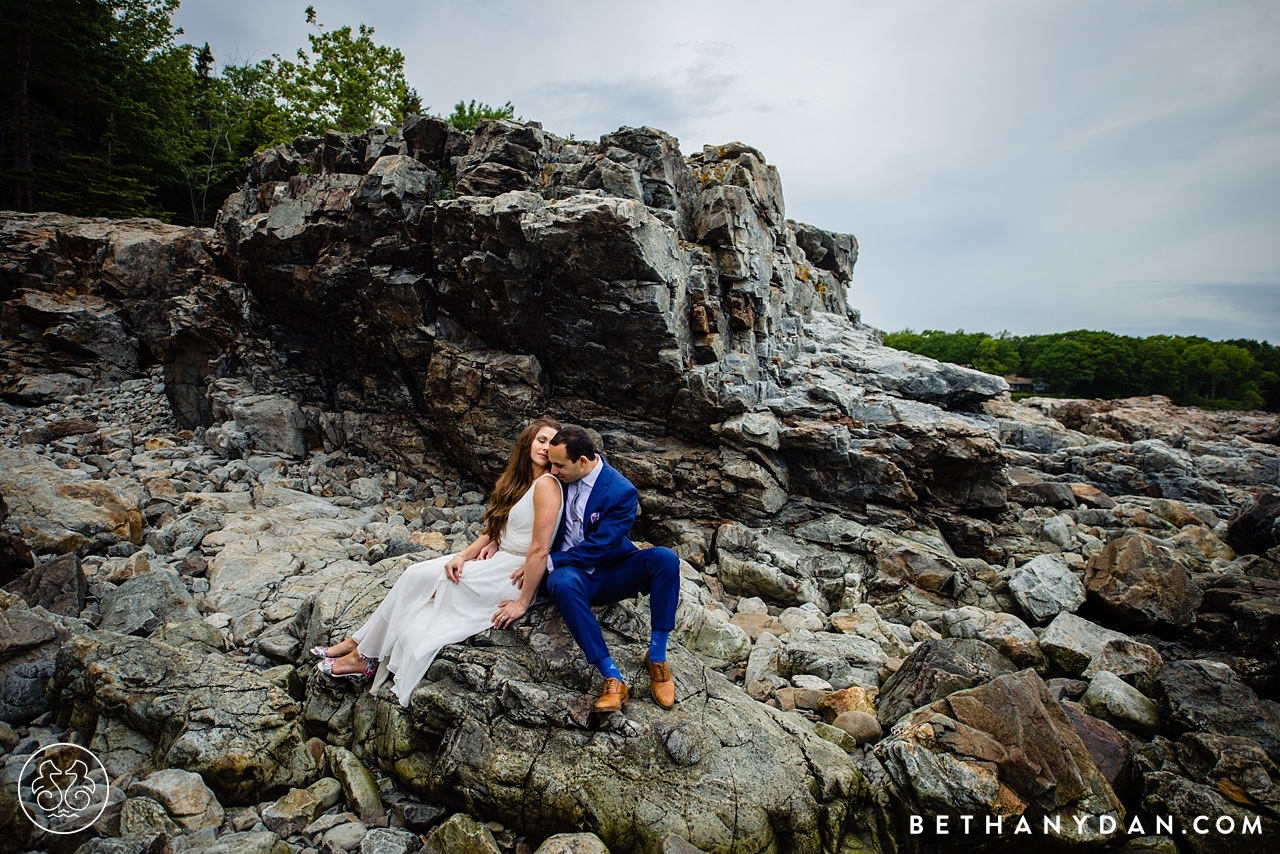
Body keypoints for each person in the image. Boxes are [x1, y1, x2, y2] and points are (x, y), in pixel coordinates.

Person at [314, 418, 564, 707]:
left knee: (434, 586)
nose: (546, 448)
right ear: (528, 442)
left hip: (512, 572)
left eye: (552, 443)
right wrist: (461, 555)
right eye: (541, 440)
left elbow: (542, 546)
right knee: (413, 574)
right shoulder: (518, 481)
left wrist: (523, 601)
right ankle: (358, 646)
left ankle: (361, 654)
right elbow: (494, 531)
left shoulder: (548, 485)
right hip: (499, 557)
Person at [541, 425, 681, 711]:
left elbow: (601, 548)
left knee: (666, 558)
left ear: (582, 461)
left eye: (559, 465)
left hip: (610, 572)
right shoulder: (555, 480)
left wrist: (552, 560)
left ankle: (657, 656)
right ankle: (612, 677)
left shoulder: (621, 491)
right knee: (564, 583)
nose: (552, 471)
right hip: (573, 578)